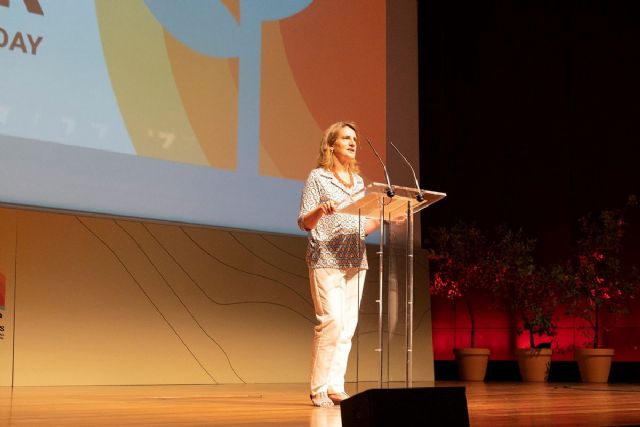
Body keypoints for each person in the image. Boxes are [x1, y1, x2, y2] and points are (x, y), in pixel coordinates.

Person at [297, 121, 379, 407]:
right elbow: (304, 222)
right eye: (346, 138)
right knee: (330, 321)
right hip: (326, 257)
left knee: (347, 327)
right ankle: (318, 387)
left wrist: (386, 216)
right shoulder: (318, 178)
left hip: (356, 259)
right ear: (331, 144)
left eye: (354, 138)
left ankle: (335, 386)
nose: (353, 143)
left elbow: (363, 224)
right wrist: (321, 208)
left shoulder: (358, 183)